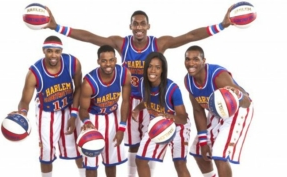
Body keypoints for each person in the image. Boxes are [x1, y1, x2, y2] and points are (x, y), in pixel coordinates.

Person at [43, 7, 233, 176]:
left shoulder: (158, 44)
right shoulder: (121, 44)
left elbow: (189, 37)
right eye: (135, 24)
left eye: (143, 24)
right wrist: (57, 27)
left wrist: (221, 26)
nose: (139, 27)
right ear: (130, 26)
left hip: (154, 100)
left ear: (148, 26)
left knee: (155, 143)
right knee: (134, 146)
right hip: (131, 101)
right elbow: (90, 38)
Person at [10, 36, 85, 177]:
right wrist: (22, 112)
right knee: (46, 151)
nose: (53, 55)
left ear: (61, 51)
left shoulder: (73, 63)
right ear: (43, 51)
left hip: (69, 108)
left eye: (57, 51)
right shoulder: (34, 73)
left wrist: (74, 114)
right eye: (49, 51)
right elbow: (25, 100)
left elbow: (79, 88)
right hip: (47, 112)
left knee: (79, 148)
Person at [183, 45, 254, 177]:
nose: (191, 63)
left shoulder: (218, 76)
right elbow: (198, 111)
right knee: (198, 149)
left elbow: (246, 101)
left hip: (237, 110)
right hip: (217, 111)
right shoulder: (188, 81)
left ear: (204, 61)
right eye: (187, 59)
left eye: (196, 59)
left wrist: (238, 95)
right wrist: (203, 141)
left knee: (218, 153)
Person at [132, 52, 191, 177]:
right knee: (140, 160)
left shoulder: (172, 89)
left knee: (179, 163)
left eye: (157, 67)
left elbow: (183, 118)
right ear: (146, 67)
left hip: (178, 126)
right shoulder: (143, 83)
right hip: (158, 126)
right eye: (150, 66)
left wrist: (170, 117)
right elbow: (146, 101)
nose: (153, 70)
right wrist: (137, 109)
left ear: (162, 71)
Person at [78, 45, 132, 177]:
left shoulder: (124, 74)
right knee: (91, 164)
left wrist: (122, 128)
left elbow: (125, 101)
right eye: (104, 61)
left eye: (111, 60)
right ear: (98, 61)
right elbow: (83, 109)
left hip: (112, 117)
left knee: (111, 163)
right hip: (93, 119)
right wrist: (86, 121)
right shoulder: (89, 82)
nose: (108, 64)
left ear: (115, 60)